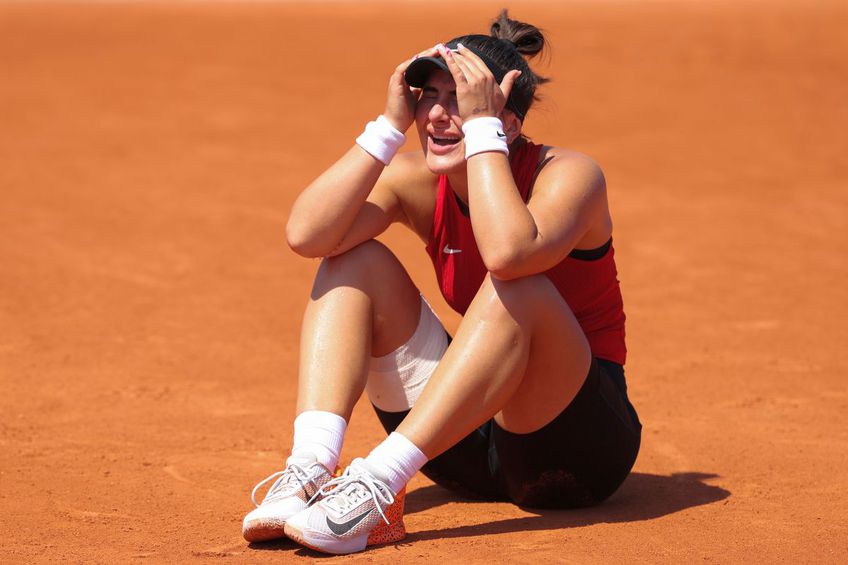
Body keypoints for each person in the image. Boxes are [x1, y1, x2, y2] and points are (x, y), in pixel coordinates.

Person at [242, 10, 641, 555]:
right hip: (467, 446)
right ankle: (310, 469)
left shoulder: (568, 176)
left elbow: (507, 253)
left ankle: (379, 484)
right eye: (429, 94)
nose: (437, 114)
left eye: (461, 99)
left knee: (516, 284)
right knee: (350, 261)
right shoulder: (416, 180)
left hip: (574, 450)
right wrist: (386, 128)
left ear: (509, 123)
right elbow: (308, 235)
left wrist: (482, 130)